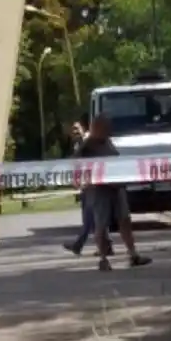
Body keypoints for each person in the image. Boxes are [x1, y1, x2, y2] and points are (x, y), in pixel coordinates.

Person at [78, 113, 152, 271]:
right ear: (96, 128)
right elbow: (78, 165)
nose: (108, 130)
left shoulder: (108, 142)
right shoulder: (87, 146)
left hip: (116, 186)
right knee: (101, 224)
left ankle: (133, 255)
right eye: (104, 127)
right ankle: (103, 259)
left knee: (124, 220)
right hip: (99, 190)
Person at [64, 118, 100, 256]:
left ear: (83, 129)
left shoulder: (88, 142)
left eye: (77, 129)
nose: (75, 132)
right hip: (86, 184)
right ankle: (101, 245)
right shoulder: (77, 144)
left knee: (91, 217)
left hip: (93, 184)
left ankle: (79, 245)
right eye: (73, 130)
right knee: (91, 218)